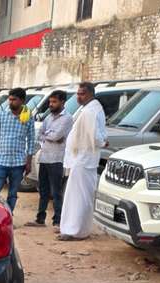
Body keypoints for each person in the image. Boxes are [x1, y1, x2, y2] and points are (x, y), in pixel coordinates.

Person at [59, 82, 106, 241]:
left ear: (90, 94)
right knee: (78, 195)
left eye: (82, 94)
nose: (78, 97)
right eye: (78, 94)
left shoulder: (91, 111)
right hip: (82, 158)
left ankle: (74, 230)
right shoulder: (89, 108)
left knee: (78, 197)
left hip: (83, 159)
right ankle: (76, 228)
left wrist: (102, 143)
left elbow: (96, 136)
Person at [28, 90, 72, 228]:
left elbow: (57, 136)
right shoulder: (48, 117)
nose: (51, 105)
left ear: (62, 102)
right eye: (50, 102)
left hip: (56, 159)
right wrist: (50, 136)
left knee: (56, 192)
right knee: (43, 190)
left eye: (54, 102)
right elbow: (39, 134)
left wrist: (50, 136)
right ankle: (40, 219)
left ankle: (57, 221)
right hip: (45, 157)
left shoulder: (67, 118)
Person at [0, 88, 35, 212]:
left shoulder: (28, 116)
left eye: (14, 100)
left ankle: (8, 215)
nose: (11, 102)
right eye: (10, 99)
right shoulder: (2, 115)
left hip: (18, 163)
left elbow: (31, 141)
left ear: (22, 101)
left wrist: (29, 163)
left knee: (13, 193)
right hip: (2, 161)